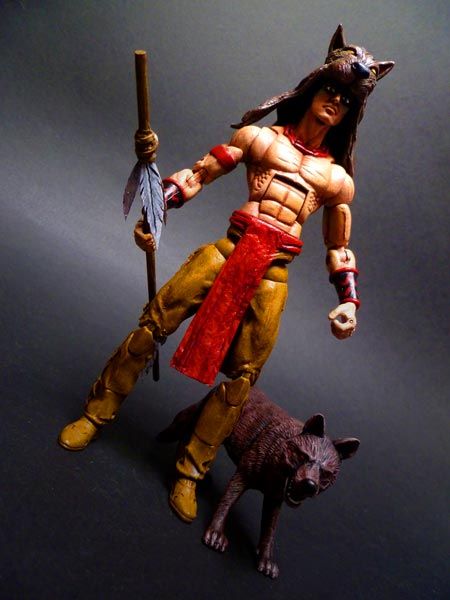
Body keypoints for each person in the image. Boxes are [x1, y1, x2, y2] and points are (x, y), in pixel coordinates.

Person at [58, 26, 394, 523]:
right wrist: (155, 211)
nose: (335, 103)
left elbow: (339, 247)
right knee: (150, 328)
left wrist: (348, 301)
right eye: (330, 90)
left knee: (241, 382)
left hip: (272, 276)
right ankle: (95, 413)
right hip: (226, 252)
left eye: (347, 100)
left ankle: (191, 471)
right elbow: (199, 174)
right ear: (312, 88)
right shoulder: (259, 138)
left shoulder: (337, 180)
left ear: (350, 113)